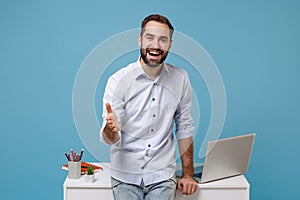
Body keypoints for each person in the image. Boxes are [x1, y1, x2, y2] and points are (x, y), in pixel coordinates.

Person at [100, 14, 198, 200]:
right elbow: (109, 138)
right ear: (140, 40)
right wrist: (110, 129)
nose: (156, 45)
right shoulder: (117, 80)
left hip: (162, 176)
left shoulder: (181, 79)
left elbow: (184, 127)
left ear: (170, 44)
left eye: (163, 40)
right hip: (125, 176)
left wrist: (188, 174)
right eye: (150, 38)